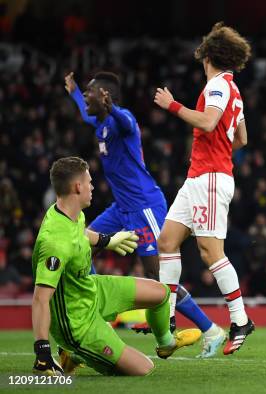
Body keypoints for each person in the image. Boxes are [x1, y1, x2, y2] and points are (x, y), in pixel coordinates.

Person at [64, 71, 225, 358]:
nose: (86, 98)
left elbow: (125, 121)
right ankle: (97, 315)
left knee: (157, 275)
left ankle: (211, 329)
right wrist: (75, 91)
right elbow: (87, 114)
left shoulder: (122, 120)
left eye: (90, 93)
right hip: (121, 207)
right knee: (82, 246)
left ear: (105, 97)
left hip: (144, 206)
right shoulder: (100, 124)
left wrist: (112, 107)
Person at [32, 157, 200, 376]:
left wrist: (107, 240)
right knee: (143, 369)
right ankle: (73, 352)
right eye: (89, 182)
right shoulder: (54, 241)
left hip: (91, 289)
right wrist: (42, 353)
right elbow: (40, 299)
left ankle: (166, 343)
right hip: (77, 321)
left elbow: (79, 233)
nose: (93, 187)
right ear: (77, 186)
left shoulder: (69, 213)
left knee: (161, 293)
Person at [153, 22, 254, 355]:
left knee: (211, 252)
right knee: (167, 240)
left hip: (209, 177)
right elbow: (241, 138)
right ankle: (166, 318)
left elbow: (209, 122)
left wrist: (173, 105)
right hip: (200, 176)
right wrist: (221, 153)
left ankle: (240, 320)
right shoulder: (233, 89)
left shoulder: (216, 86)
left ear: (208, 54)